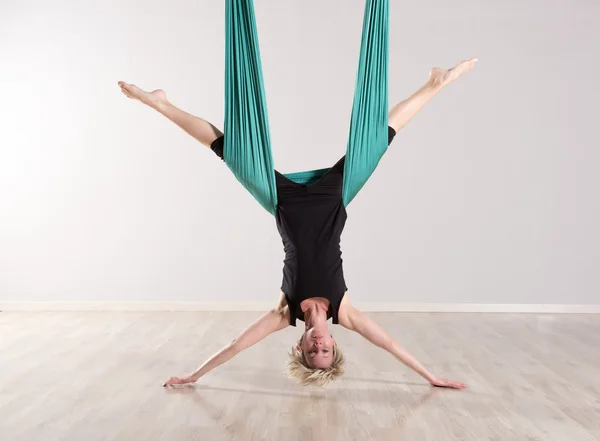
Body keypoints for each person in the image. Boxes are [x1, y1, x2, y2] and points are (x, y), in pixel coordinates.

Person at [118, 57, 477, 388]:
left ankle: (159, 102)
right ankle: (434, 85)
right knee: (376, 141)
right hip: (333, 197)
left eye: (311, 352)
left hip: (284, 202)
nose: (319, 346)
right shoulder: (345, 311)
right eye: (325, 352)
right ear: (334, 343)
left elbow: (234, 346)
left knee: (229, 149)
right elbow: (392, 345)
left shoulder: (282, 312)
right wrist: (432, 377)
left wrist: (193, 375)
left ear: (300, 346)